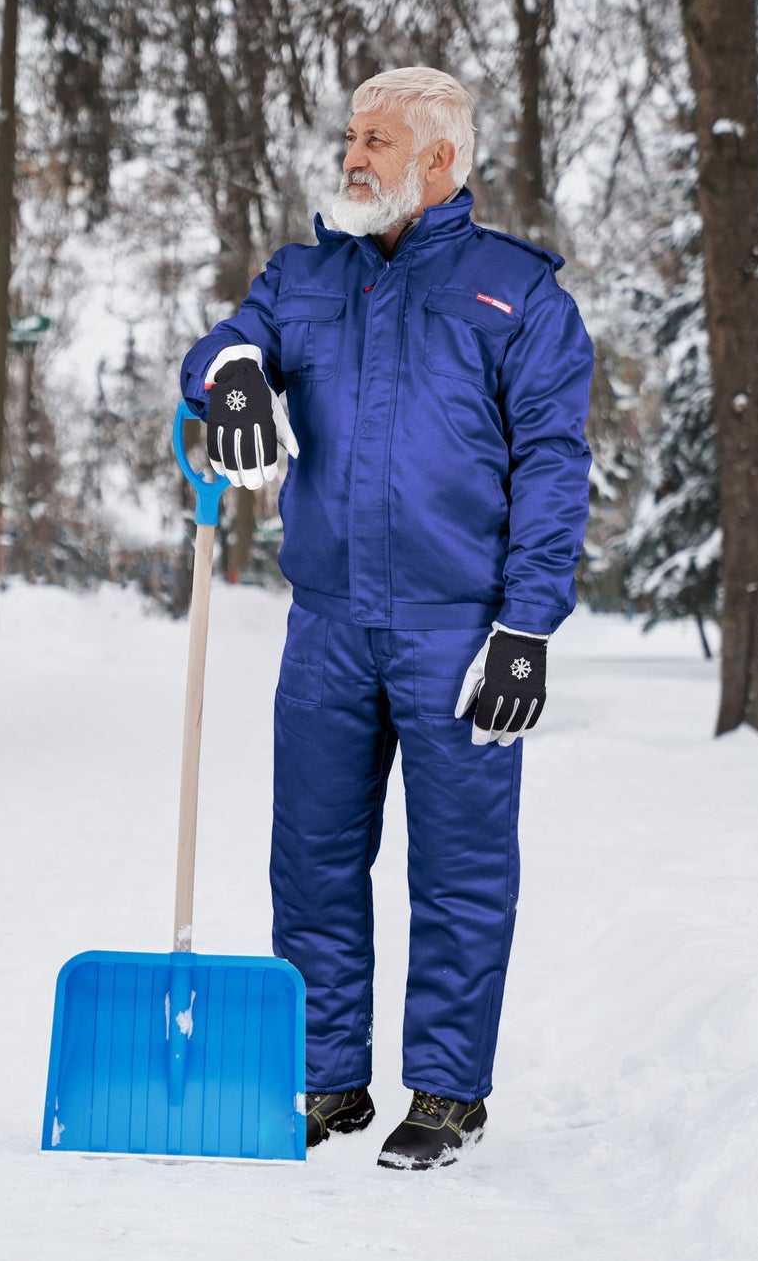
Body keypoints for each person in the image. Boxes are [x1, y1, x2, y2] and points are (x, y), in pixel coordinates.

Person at [178, 66, 594, 1170]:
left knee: (457, 869)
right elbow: (225, 344)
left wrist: (526, 625)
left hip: (457, 630)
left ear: (442, 159)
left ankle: (446, 1091)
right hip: (326, 624)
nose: (352, 157)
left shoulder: (517, 297)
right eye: (349, 138)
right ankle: (327, 1078)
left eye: (376, 140)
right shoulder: (305, 277)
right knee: (310, 858)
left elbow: (553, 466)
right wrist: (227, 376)